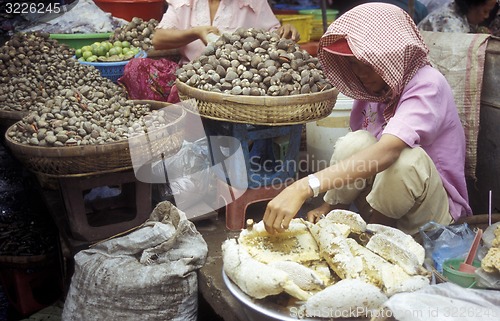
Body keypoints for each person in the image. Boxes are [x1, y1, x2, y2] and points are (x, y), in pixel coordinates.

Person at [263, 2, 472, 236]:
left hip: (429, 216)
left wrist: (303, 186)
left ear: (392, 57)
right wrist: (332, 201)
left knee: (406, 159)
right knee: (358, 141)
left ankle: (376, 234)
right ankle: (335, 209)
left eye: (368, 64)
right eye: (353, 64)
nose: (361, 73)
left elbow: (388, 152)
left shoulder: (428, 85)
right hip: (382, 199)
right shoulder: (375, 89)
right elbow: (364, 155)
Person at [152, 0, 300, 65]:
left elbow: (275, 36)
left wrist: (286, 30)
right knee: (136, 67)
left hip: (236, 81)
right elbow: (158, 39)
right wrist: (195, 33)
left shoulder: (253, 2)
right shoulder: (184, 1)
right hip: (189, 76)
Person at [417, 0, 497, 33]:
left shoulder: (460, 13)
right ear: (472, 6)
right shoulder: (450, 25)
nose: (487, 16)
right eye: (485, 11)